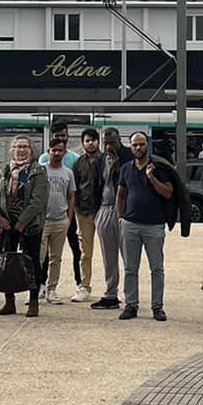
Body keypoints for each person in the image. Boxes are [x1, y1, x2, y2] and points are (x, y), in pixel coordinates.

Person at [116, 130, 173, 321]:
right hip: (130, 225)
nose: (138, 148)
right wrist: (120, 218)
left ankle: (158, 307)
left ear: (147, 144)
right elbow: (121, 195)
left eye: (141, 144)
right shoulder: (125, 169)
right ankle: (131, 305)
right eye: (134, 145)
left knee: (156, 268)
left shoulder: (159, 167)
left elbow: (168, 193)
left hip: (154, 226)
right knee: (130, 268)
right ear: (130, 147)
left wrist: (152, 178)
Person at [0, 134, 48, 318]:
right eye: (17, 146)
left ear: (31, 150)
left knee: (32, 263)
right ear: (11, 149)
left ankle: (33, 302)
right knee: (6, 262)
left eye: (25, 146)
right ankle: (9, 301)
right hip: (6, 226)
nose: (21, 150)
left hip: (29, 225)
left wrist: (22, 222)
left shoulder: (38, 170)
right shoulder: (4, 170)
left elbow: (38, 200)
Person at [39, 134, 75, 304]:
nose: (57, 153)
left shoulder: (68, 173)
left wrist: (69, 218)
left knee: (56, 258)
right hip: (43, 221)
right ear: (48, 151)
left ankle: (52, 289)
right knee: (38, 256)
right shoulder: (41, 170)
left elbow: (71, 196)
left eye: (60, 150)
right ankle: (37, 287)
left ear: (64, 152)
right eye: (54, 150)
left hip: (61, 221)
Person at [71, 127, 106, 303]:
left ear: (98, 141)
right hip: (84, 212)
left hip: (104, 210)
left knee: (110, 251)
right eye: (87, 140)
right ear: (82, 143)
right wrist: (76, 209)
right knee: (85, 252)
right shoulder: (78, 163)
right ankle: (84, 286)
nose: (90, 143)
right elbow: (74, 188)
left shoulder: (106, 160)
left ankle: (112, 289)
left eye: (93, 140)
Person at [92, 126, 125, 309]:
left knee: (128, 255)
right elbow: (95, 185)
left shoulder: (127, 156)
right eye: (105, 143)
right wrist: (95, 213)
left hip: (123, 211)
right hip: (104, 209)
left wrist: (117, 166)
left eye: (112, 142)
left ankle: (131, 296)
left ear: (119, 141)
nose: (109, 146)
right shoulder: (99, 160)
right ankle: (111, 293)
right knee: (108, 256)